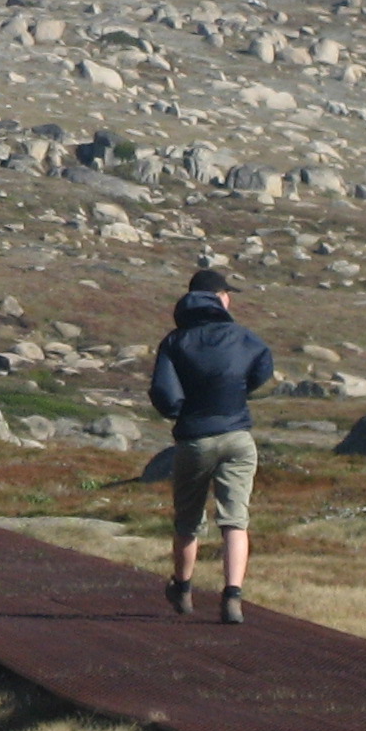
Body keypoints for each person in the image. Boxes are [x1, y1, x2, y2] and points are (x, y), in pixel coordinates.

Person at [149, 267, 274, 625]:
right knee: (235, 520)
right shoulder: (243, 336)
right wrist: (238, 391)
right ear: (220, 298)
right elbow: (263, 367)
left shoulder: (175, 341)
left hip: (194, 438)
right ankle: (232, 596)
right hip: (238, 436)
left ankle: (183, 588)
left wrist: (179, 411)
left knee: (188, 521)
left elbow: (164, 393)